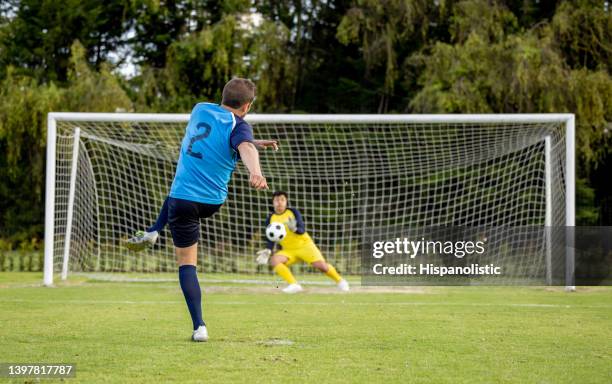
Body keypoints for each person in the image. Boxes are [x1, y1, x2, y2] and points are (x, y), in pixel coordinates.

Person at [129, 78, 277, 342]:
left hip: (183, 201)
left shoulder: (199, 109)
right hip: (212, 202)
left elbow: (239, 142)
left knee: (187, 263)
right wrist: (256, 171)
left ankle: (200, 327)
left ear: (223, 97)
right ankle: (153, 231)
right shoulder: (239, 126)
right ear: (247, 106)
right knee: (175, 196)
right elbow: (242, 144)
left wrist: (255, 142)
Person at [256, 191, 350, 293]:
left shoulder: (293, 212)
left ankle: (340, 281)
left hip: (305, 246)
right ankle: (294, 284)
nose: (279, 202)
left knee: (322, 266)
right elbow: (271, 237)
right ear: (273, 202)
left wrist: (295, 229)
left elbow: (302, 230)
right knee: (274, 260)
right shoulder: (270, 218)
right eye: (277, 200)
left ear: (286, 201)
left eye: (282, 199)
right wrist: (268, 250)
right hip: (289, 250)